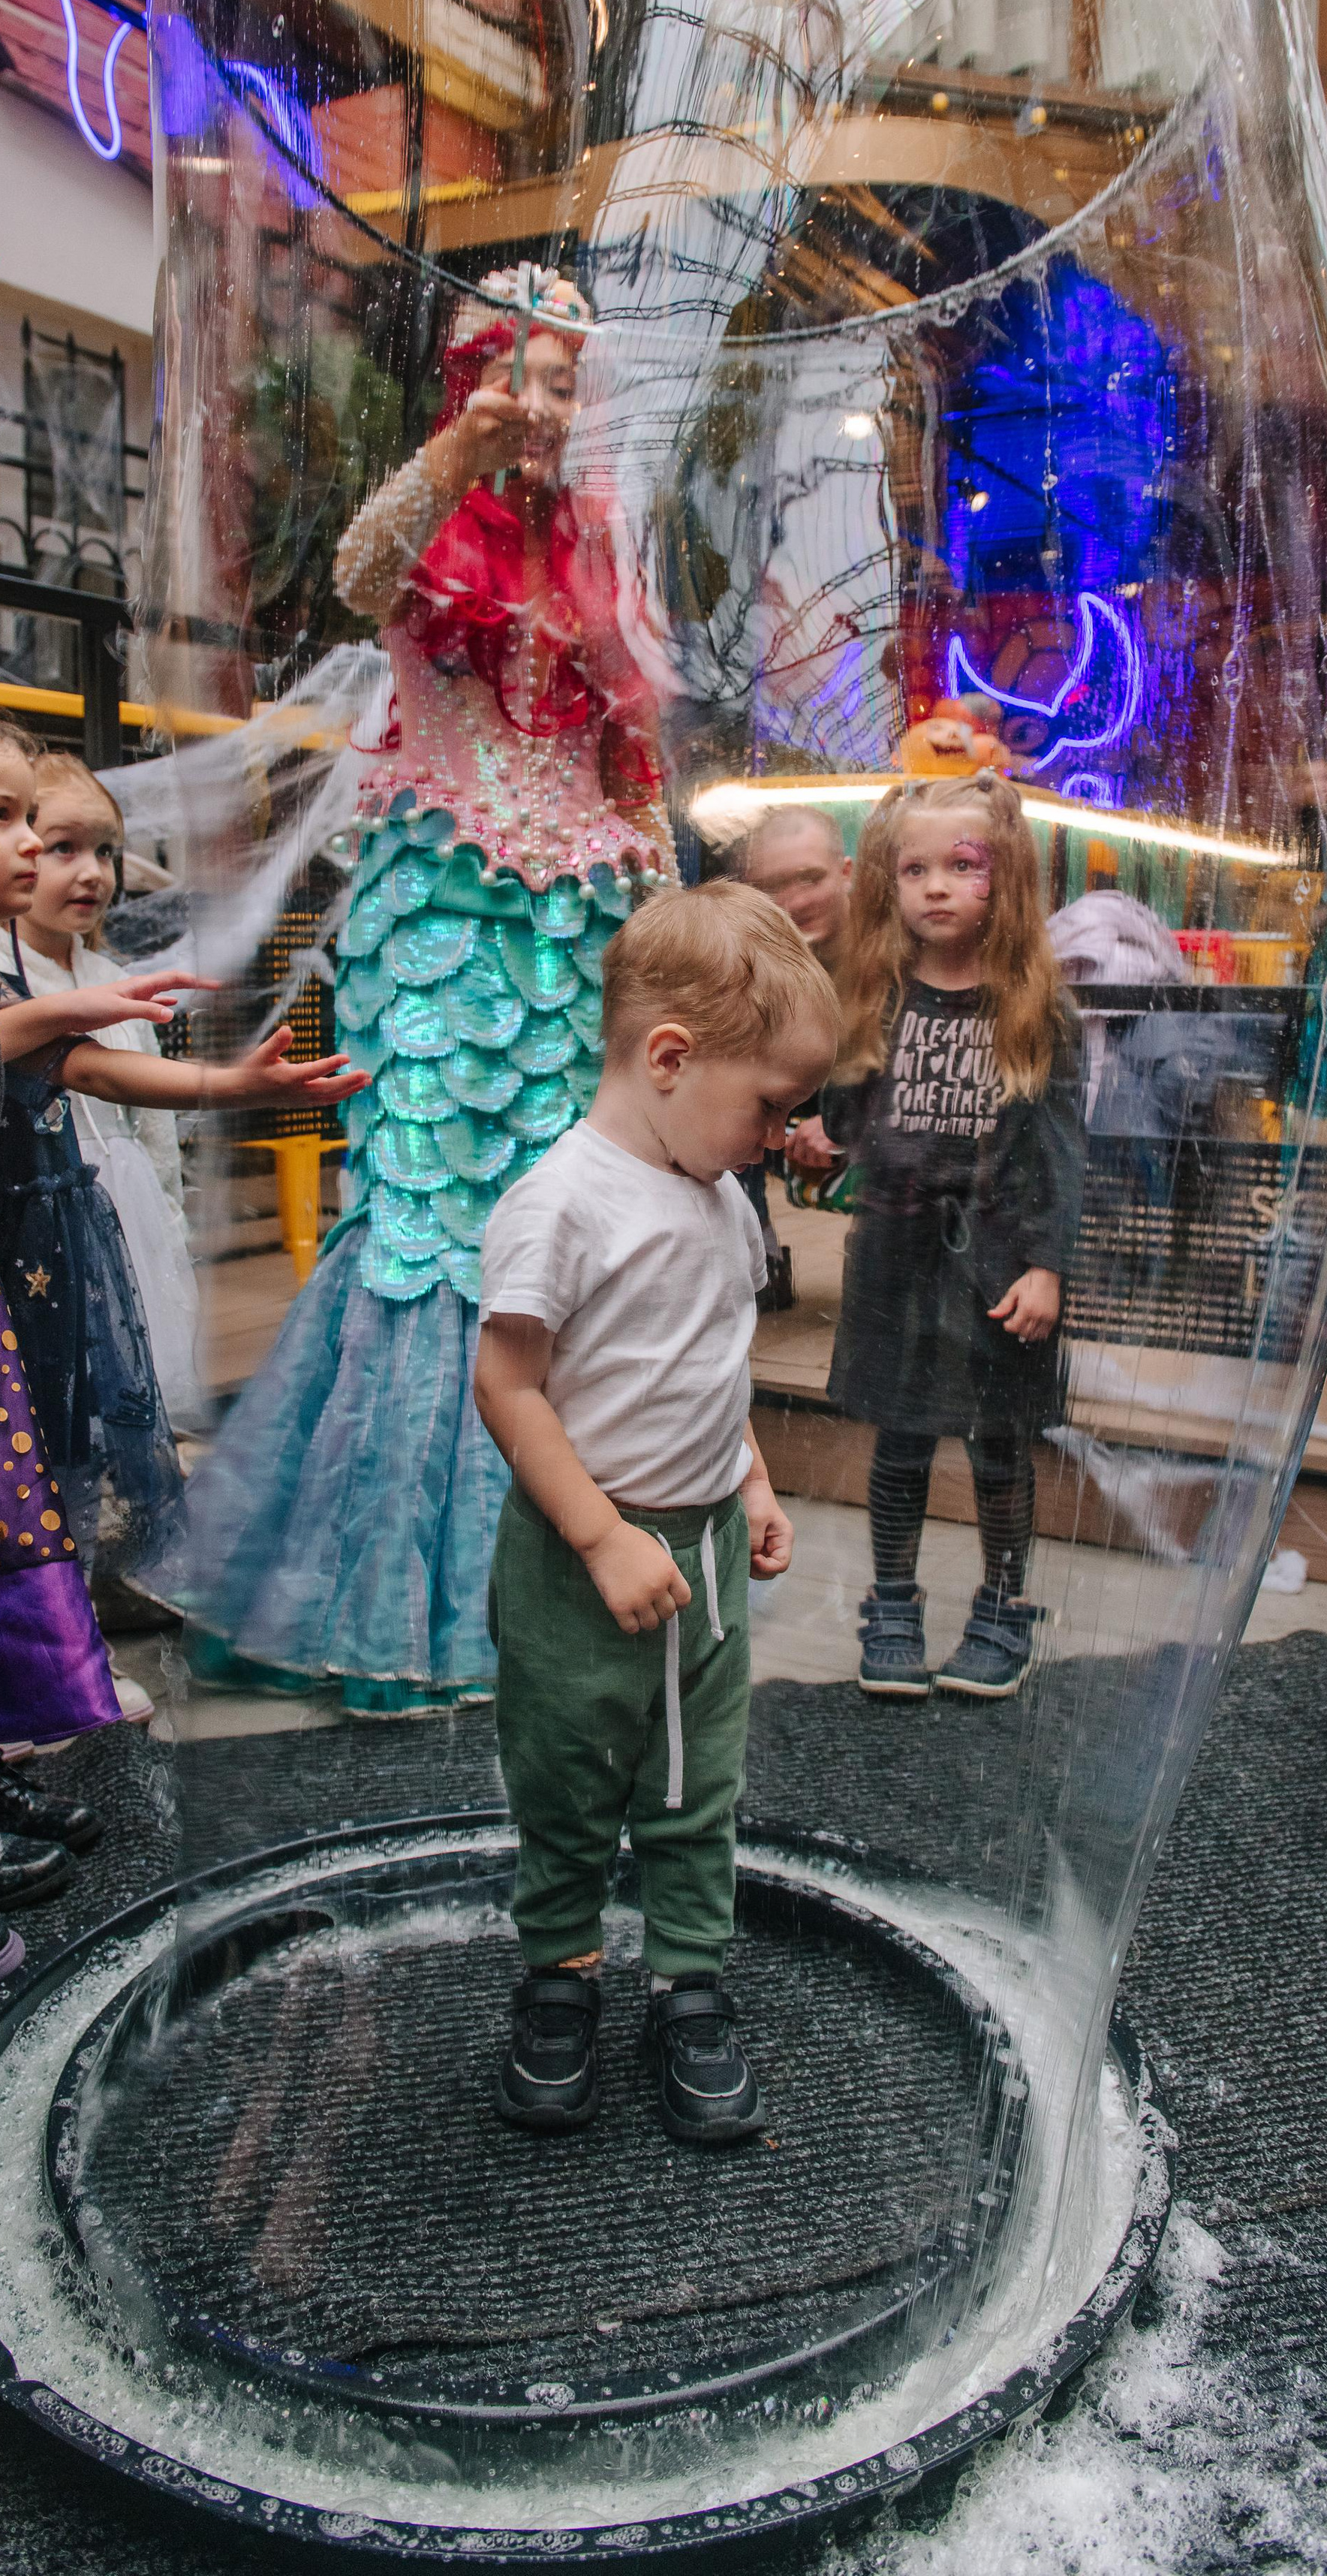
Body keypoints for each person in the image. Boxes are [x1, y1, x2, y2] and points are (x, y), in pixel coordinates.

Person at [185, 266, 675, 1710]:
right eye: (524, 375)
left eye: (568, 382)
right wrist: (452, 457)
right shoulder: (427, 515)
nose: (547, 405)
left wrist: (663, 911)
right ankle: (398, 1596)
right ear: (473, 381)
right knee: (424, 1227)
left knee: (556, 1228)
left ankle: (562, 1567)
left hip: (577, 926)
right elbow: (350, 580)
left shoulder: (599, 547)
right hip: (447, 906)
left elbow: (630, 764)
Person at [0, 704, 366, 1607]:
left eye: (32, 822)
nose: (29, 844)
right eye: (6, 819)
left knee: (38, 1434)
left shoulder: (5, 981)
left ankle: (47, 1624)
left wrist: (235, 1085)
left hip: (30, 1245)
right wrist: (63, 1012)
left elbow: (97, 1071)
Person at [473, 882, 836, 2143]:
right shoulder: (564, 1204)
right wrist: (601, 1533)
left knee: (697, 1781)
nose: (783, 1133)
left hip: (705, 1549)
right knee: (570, 1774)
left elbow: (702, 1363)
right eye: (771, 1105)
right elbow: (507, 1384)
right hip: (586, 1553)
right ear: (670, 1059)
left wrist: (745, 1475)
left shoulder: (719, 1193)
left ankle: (689, 1980)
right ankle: (560, 1972)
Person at [822, 773, 1085, 1701]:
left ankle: (1003, 1603)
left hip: (1000, 1266)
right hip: (896, 1259)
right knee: (898, 1439)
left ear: (1002, 880)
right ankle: (892, 1599)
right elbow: (846, 1118)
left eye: (961, 866)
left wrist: (1049, 1266)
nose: (934, 886)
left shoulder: (1032, 1010)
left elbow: (1061, 1153)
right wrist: (821, 1137)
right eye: (914, 869)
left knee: (998, 1444)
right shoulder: (878, 1001)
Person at [0, 755, 203, 1430]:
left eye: (106, 852)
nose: (93, 873)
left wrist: (172, 1221)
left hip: (129, 1204)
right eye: (64, 849)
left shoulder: (112, 974)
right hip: (36, 1211)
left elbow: (152, 1132)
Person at [742, 803, 855, 1270]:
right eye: (771, 887)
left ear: (845, 873)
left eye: (810, 878)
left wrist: (848, 1123)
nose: (793, 902)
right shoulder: (747, 960)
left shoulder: (894, 953)